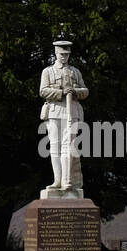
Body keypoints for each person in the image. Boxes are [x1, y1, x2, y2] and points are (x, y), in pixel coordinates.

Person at [39, 38, 89, 191]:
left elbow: (85, 91)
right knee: (54, 147)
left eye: (66, 54)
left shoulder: (75, 71)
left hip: (71, 112)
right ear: (55, 53)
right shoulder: (48, 71)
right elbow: (43, 91)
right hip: (54, 111)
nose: (64, 57)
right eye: (61, 54)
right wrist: (61, 93)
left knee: (68, 147)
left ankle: (68, 181)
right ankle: (57, 180)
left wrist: (75, 92)